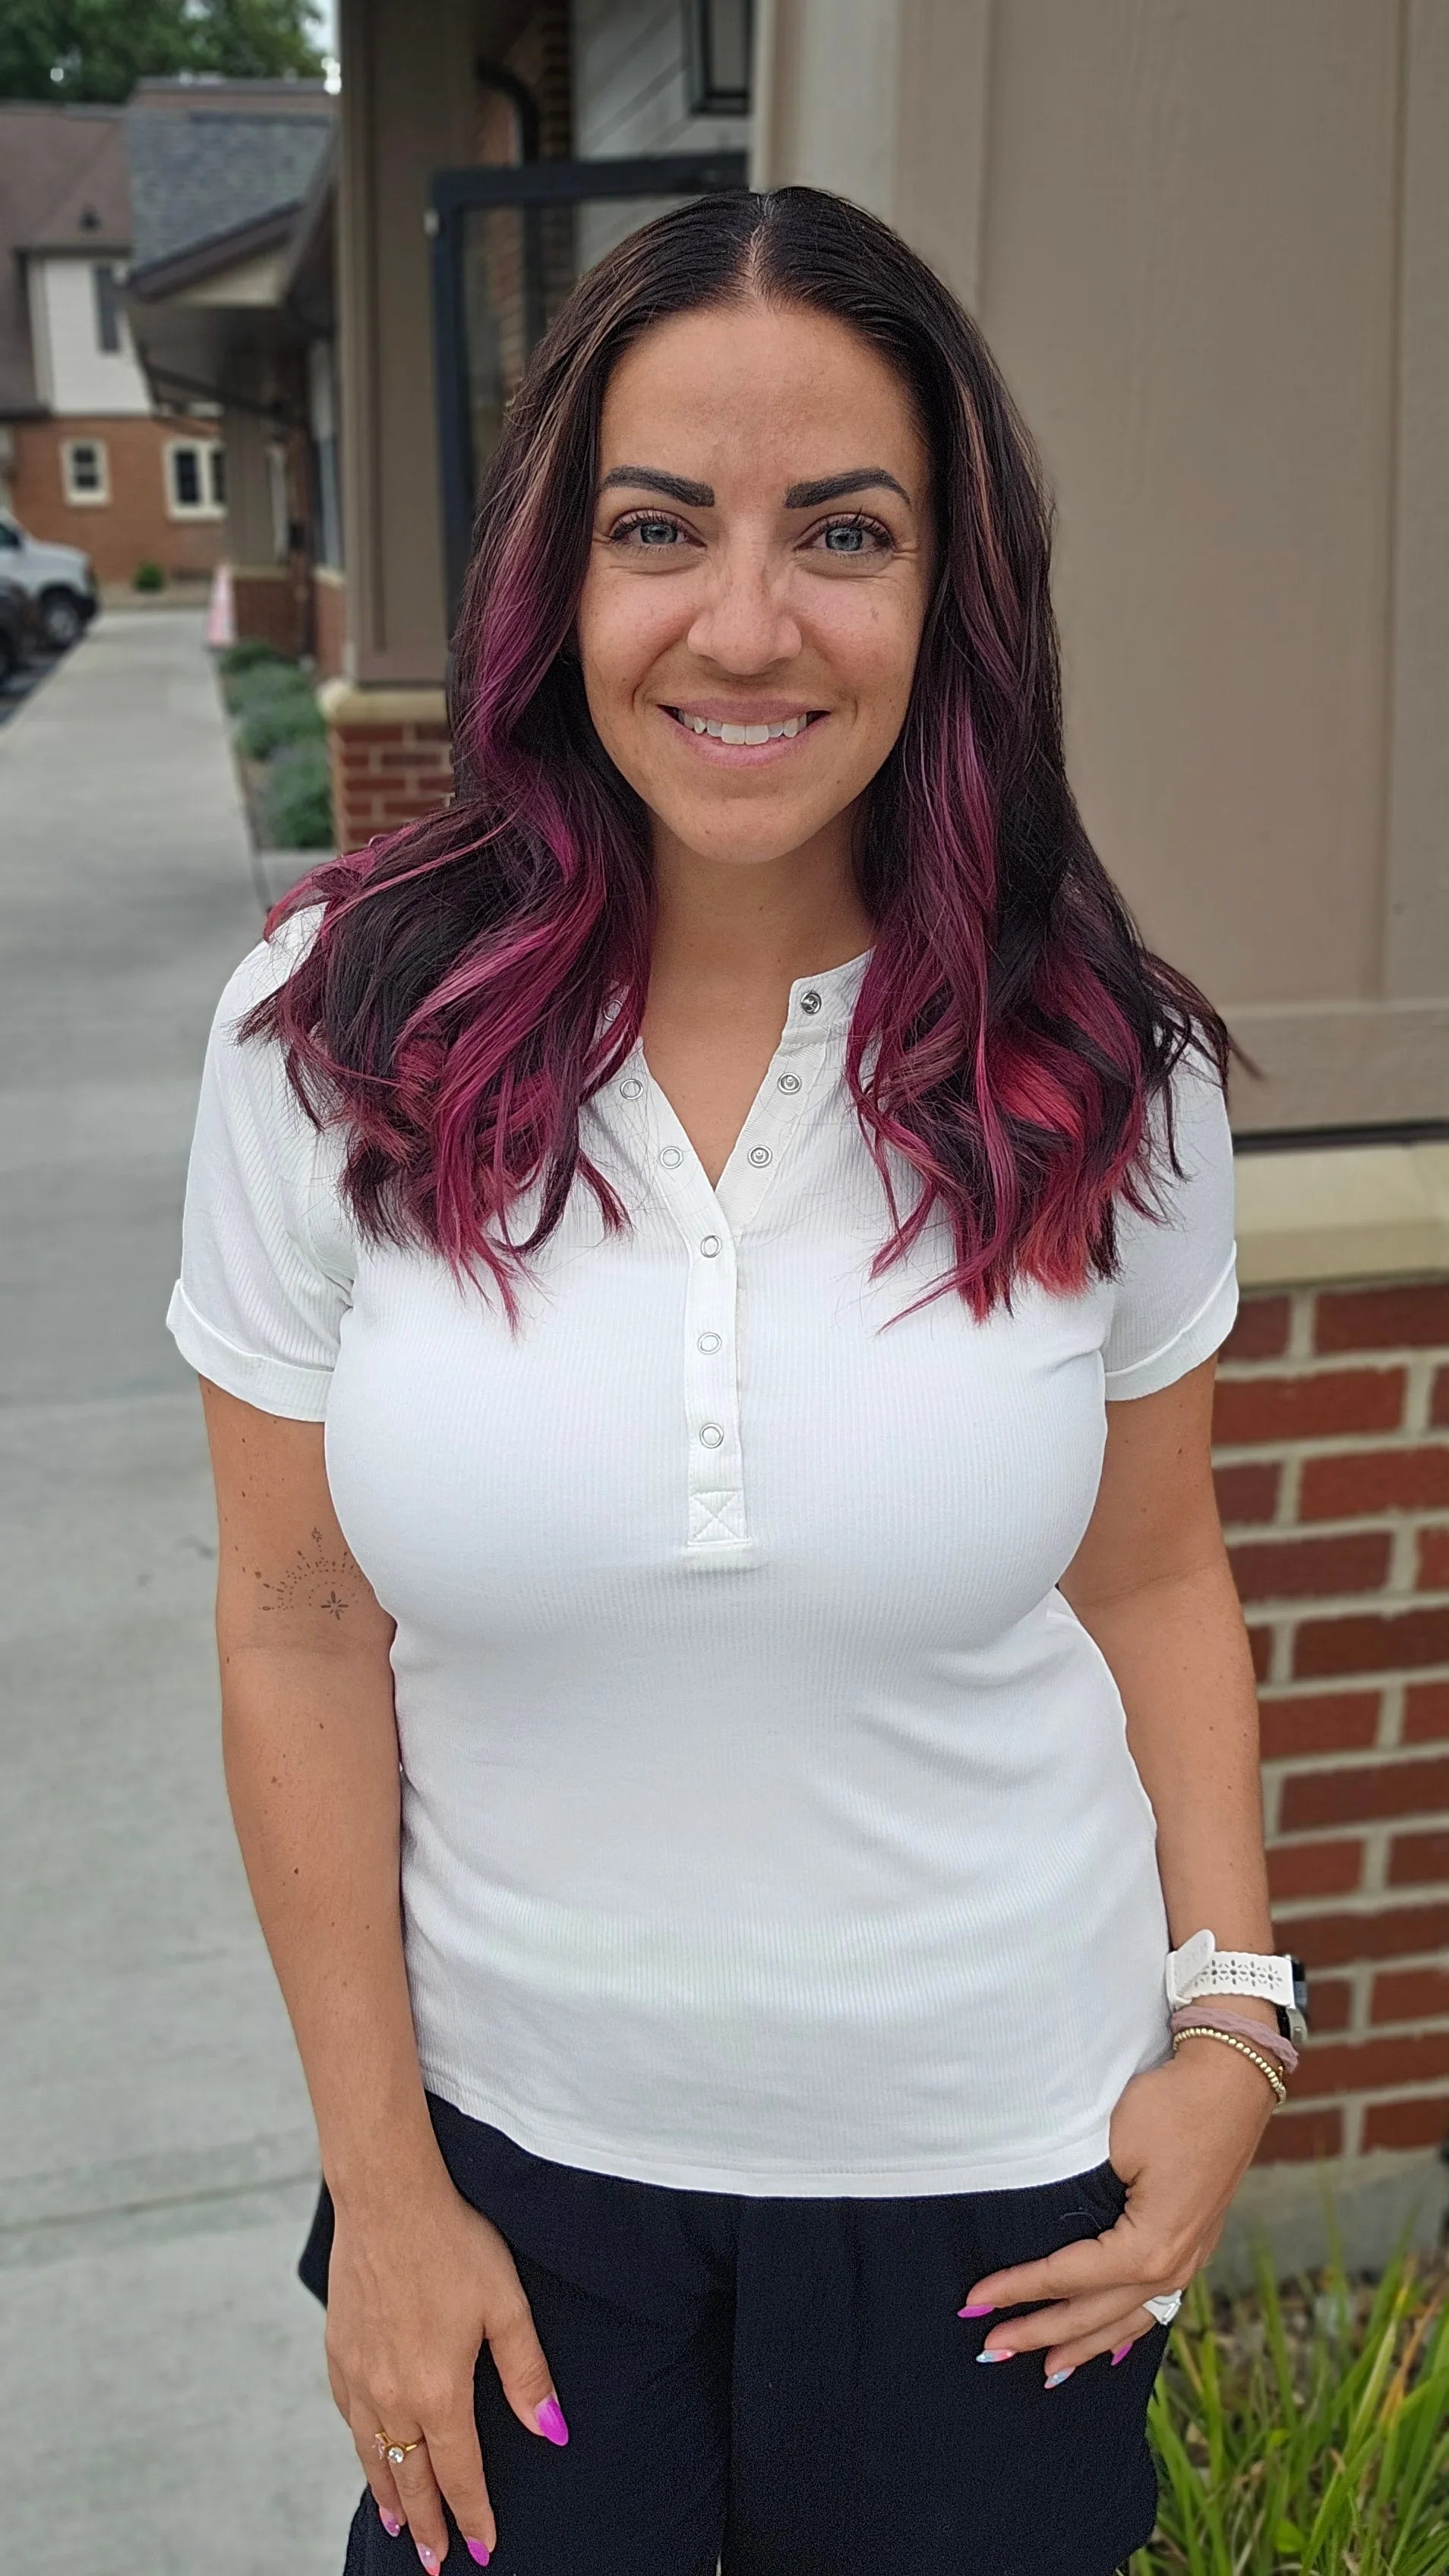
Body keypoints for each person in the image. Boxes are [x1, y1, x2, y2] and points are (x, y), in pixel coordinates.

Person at [168, 185, 1302, 2576]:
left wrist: (1228, 2031)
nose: (747, 623)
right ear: (555, 576)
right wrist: (381, 2188)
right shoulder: (327, 1035)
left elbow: (1156, 1577)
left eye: (844, 533)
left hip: (998, 2182)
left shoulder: (1103, 1064)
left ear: (951, 592)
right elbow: (294, 1621)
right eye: (659, 527)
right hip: (513, 2170)